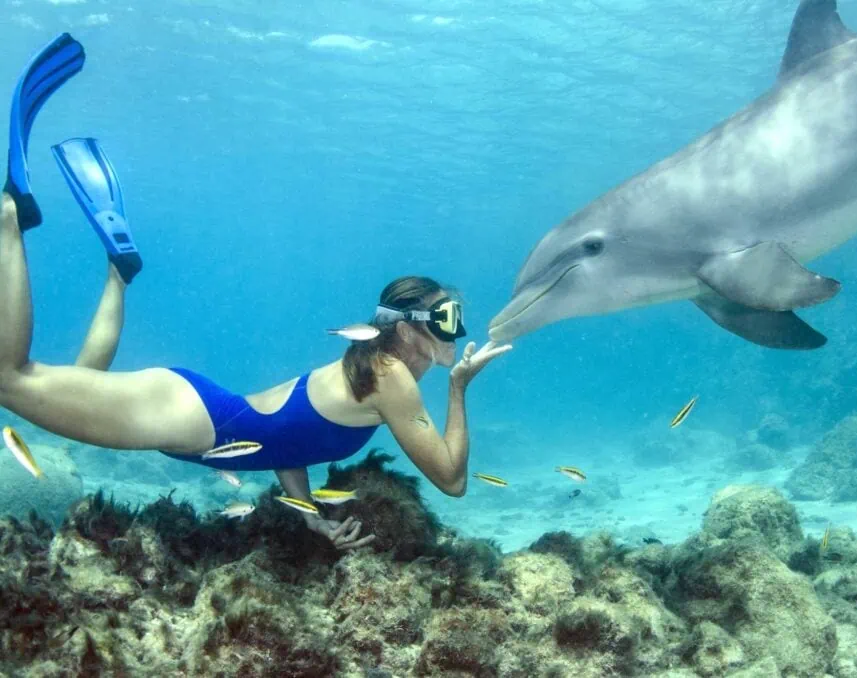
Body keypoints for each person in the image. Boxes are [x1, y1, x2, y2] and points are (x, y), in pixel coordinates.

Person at [0, 35, 511, 552]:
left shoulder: (368, 366)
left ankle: (119, 272)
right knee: (9, 378)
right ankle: (9, 215)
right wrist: (459, 389)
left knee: (79, 384)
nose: (458, 331)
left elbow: (293, 442)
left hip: (193, 410)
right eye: (446, 318)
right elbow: (452, 481)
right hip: (193, 418)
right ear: (405, 328)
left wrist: (310, 515)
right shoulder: (391, 375)